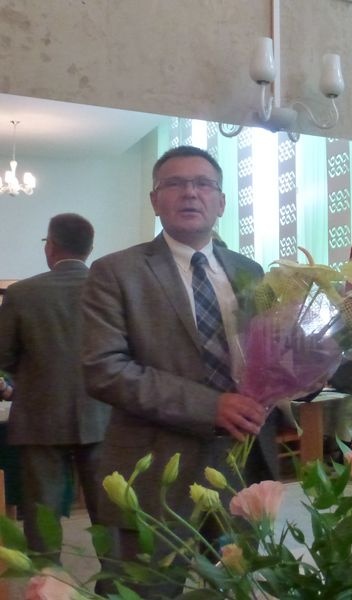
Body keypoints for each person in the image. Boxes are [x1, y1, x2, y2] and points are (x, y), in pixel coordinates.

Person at [82, 146, 278, 593]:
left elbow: (267, 356)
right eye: (174, 184)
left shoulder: (250, 271)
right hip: (154, 469)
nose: (190, 192)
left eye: (203, 184)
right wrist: (210, 406)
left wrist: (304, 372)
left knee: (237, 588)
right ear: (155, 200)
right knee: (144, 590)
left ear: (221, 202)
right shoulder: (115, 272)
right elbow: (104, 369)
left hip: (240, 465)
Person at [0, 213, 109, 552]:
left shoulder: (22, 293)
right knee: (108, 509)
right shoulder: (109, 289)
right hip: (102, 415)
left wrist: (21, 377)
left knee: (42, 511)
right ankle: (116, 576)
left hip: (39, 416)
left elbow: (2, 355)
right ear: (89, 249)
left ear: (50, 246)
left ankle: (47, 576)